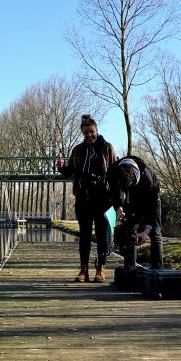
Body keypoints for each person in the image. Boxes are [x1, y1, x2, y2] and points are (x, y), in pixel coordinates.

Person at [56, 114, 118, 282]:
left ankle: (101, 268)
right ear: (82, 134)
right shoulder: (78, 150)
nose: (89, 135)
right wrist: (61, 168)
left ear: (97, 130)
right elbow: (71, 172)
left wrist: (117, 200)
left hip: (103, 197)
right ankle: (83, 269)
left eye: (91, 132)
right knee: (84, 235)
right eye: (85, 133)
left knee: (102, 234)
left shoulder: (107, 148)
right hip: (83, 196)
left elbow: (114, 172)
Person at [107, 155, 163, 270]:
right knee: (129, 230)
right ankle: (130, 270)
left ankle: (157, 271)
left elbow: (154, 208)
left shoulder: (148, 177)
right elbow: (114, 193)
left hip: (149, 197)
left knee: (155, 232)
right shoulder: (113, 173)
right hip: (131, 199)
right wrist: (119, 208)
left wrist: (146, 231)